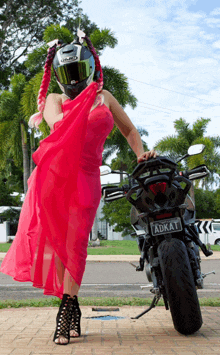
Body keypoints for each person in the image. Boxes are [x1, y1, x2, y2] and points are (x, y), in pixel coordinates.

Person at [0, 29, 157, 345]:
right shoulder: (52, 100)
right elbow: (59, 125)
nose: (73, 78)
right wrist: (76, 109)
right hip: (56, 178)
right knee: (62, 244)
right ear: (58, 75)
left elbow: (129, 131)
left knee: (76, 246)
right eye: (67, 72)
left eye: (78, 70)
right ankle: (67, 309)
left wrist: (141, 154)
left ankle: (70, 307)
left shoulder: (104, 96)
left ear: (89, 67)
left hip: (86, 177)